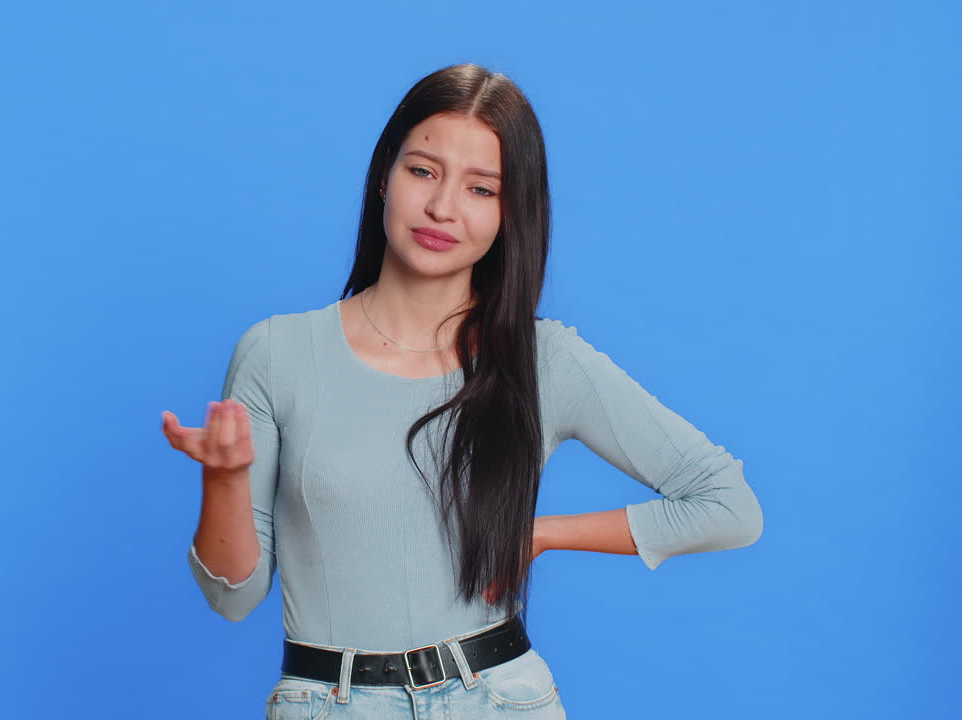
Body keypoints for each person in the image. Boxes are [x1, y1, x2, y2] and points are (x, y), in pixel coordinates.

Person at [161, 63, 764, 719]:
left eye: (481, 188)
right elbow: (232, 598)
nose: (444, 207)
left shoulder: (540, 361)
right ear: (383, 175)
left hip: (499, 698)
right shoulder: (277, 353)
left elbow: (729, 505)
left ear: (511, 213)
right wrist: (225, 478)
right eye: (423, 171)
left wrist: (542, 533)